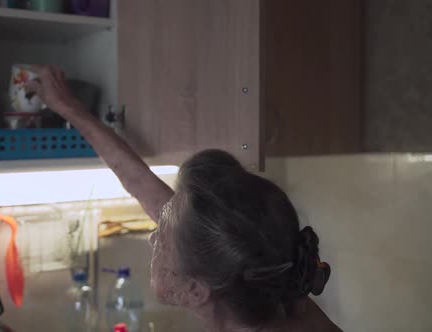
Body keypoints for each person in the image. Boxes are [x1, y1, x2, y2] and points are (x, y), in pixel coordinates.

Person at [26, 65, 342, 332]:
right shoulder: (280, 300)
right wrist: (70, 108)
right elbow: (139, 182)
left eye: (163, 237)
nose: (152, 237)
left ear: (195, 289)